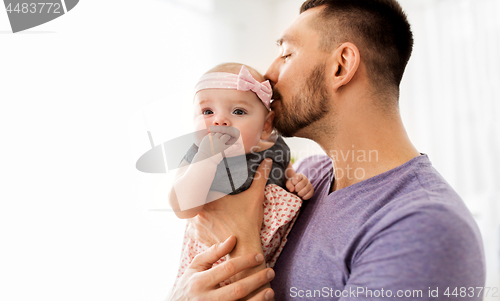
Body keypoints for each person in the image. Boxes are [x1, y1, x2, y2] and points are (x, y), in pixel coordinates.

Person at [169, 0, 486, 300]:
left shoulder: (425, 229)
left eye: (287, 53)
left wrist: (239, 235)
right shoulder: (306, 179)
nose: (268, 75)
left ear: (341, 66)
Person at [168, 63, 314, 287]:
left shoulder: (275, 147)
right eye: (207, 112)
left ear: (266, 125)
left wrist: (295, 180)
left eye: (238, 111)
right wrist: (207, 158)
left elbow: (286, 171)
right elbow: (182, 207)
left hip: (270, 260)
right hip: (213, 262)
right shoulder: (197, 155)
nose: (220, 121)